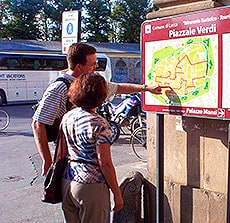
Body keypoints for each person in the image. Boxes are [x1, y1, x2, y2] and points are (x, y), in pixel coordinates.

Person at [32, 42, 164, 176]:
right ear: (78, 66)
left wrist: (145, 88)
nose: (96, 66)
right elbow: (38, 123)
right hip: (68, 159)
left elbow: (118, 88)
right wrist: (47, 160)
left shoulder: (89, 83)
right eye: (92, 64)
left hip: (85, 161)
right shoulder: (59, 88)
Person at [61, 73, 123, 222]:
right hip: (91, 185)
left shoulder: (68, 116)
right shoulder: (100, 124)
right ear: (100, 95)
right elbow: (105, 163)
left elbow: (63, 149)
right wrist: (117, 193)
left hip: (68, 179)